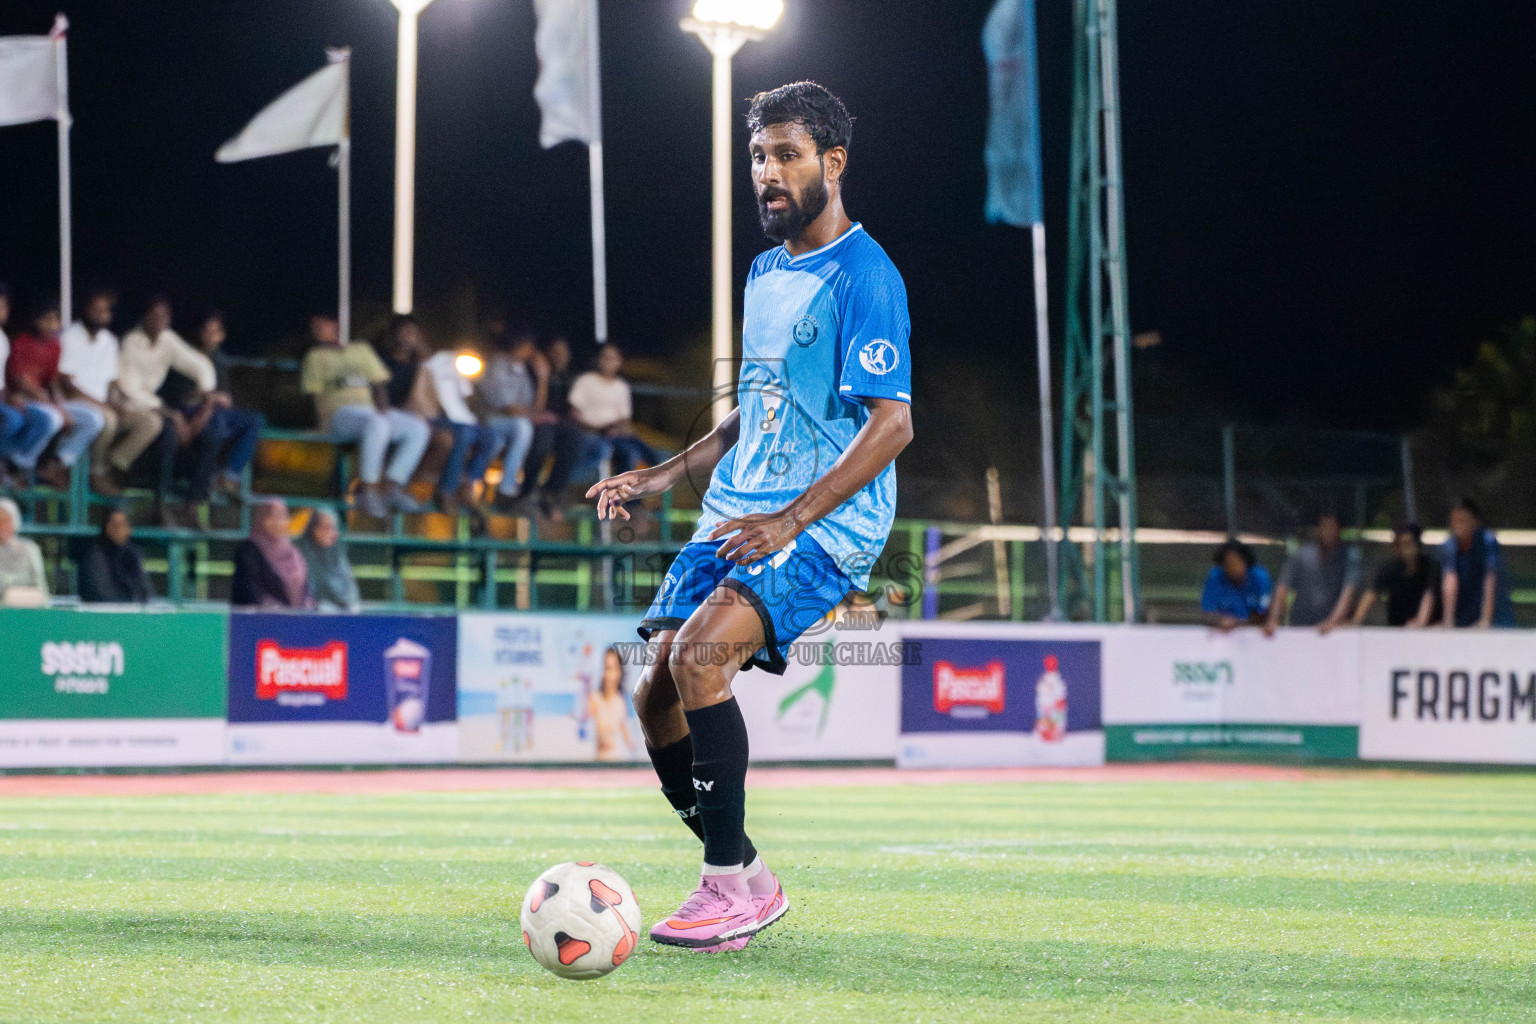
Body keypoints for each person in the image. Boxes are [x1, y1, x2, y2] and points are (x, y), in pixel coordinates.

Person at [587, 82, 912, 951]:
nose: (768, 172)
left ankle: (725, 888)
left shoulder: (866, 276)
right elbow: (752, 412)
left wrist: (793, 519)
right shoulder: (766, 272)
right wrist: (663, 475)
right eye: (759, 156)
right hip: (738, 510)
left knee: (701, 660)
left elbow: (893, 424)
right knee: (654, 696)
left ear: (832, 163)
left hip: (824, 526)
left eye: (787, 155)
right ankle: (749, 877)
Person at [299, 314, 430, 518]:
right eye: (315, 327)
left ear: (336, 324)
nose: (320, 330)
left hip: (368, 411)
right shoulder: (315, 356)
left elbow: (378, 383)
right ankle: (367, 490)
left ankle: (392, 486)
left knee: (417, 428)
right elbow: (310, 395)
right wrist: (317, 426)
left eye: (323, 324)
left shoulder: (361, 349)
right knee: (377, 423)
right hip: (338, 415)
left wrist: (384, 409)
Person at [117, 296, 222, 522]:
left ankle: (193, 504)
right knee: (169, 432)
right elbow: (129, 390)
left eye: (165, 316)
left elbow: (200, 365)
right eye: (156, 315)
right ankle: (160, 503)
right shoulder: (131, 343)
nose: (161, 320)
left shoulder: (167, 340)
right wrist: (170, 413)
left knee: (210, 437)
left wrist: (206, 396)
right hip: (130, 406)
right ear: (144, 317)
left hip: (154, 407)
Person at [58, 287, 163, 497]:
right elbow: (66, 384)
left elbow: (111, 384)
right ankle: (96, 473)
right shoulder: (69, 336)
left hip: (104, 403)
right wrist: (103, 405)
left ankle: (111, 464)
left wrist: (119, 404)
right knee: (109, 418)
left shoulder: (109, 341)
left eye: (105, 311)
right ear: (86, 309)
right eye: (96, 310)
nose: (100, 315)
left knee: (151, 422)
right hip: (75, 401)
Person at [162, 311, 264, 503]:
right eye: (207, 331)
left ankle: (229, 476)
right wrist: (208, 398)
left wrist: (211, 398)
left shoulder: (218, 359)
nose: (211, 336)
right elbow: (185, 397)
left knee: (254, 421)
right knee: (215, 430)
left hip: (215, 411)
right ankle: (201, 487)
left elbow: (226, 399)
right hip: (192, 411)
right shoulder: (187, 355)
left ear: (222, 335)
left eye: (215, 332)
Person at [4, 300, 106, 490]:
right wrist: (55, 407)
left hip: (47, 401)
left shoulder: (54, 345)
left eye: (55, 320)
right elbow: (21, 382)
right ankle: (20, 466)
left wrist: (59, 402)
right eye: (47, 319)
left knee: (94, 419)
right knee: (54, 418)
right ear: (36, 320)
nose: (52, 325)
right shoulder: (22, 342)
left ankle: (56, 464)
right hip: (23, 400)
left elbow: (52, 381)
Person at [415, 340, 503, 515]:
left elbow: (466, 395)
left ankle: (469, 485)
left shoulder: (453, 362)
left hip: (461, 418)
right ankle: (446, 489)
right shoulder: (424, 368)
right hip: (439, 416)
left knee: (489, 436)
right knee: (464, 435)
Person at [568, 342, 663, 477]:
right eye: (605, 357)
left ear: (619, 361)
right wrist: (596, 428)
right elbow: (573, 412)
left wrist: (616, 429)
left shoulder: (622, 386)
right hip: (592, 433)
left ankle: (638, 489)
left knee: (649, 455)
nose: (608, 362)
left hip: (616, 434)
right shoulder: (585, 380)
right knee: (624, 453)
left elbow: (625, 418)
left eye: (613, 358)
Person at [1263, 510, 1361, 636]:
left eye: (1332, 527)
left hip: (1333, 630)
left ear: (1339, 530)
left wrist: (1332, 622)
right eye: (1324, 527)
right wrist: (1273, 619)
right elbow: (1283, 587)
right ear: (1318, 530)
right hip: (1300, 625)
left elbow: (1348, 591)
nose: (1328, 532)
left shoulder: (1349, 556)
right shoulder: (1302, 553)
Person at [476, 328, 540, 513]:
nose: (531, 352)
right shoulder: (497, 364)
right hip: (489, 419)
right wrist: (527, 412)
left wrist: (542, 377)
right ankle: (507, 487)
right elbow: (509, 408)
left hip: (507, 426)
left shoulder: (522, 370)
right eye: (529, 347)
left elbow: (532, 406)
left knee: (499, 442)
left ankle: (478, 487)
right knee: (523, 427)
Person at [0, 284, 59, 484]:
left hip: (3, 399)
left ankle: (15, 466)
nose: (3, 311)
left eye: (4, 306)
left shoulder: (2, 339)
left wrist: (10, 397)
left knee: (44, 419)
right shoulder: (19, 342)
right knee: (13, 419)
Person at [1439, 498, 1516, 628]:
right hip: (1463, 618)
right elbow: (1450, 580)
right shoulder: (1450, 545)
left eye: (1462, 520)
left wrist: (1485, 620)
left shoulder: (1487, 541)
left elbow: (1490, 579)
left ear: (1475, 521)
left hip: (1496, 618)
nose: (1458, 525)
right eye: (1454, 520)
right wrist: (1448, 622)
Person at [231, 498, 314, 609]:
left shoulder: (293, 552)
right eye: (272, 516)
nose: (278, 522)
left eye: (283, 517)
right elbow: (248, 591)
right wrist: (276, 609)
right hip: (259, 617)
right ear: (261, 518)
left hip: (296, 617)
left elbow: (306, 590)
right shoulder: (249, 551)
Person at [1352, 523, 1439, 627]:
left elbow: (1429, 595)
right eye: (1400, 544)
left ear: (1417, 543)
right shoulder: (1391, 568)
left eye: (1409, 543)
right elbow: (1371, 593)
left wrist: (1421, 622)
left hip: (1427, 628)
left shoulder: (1429, 567)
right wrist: (1355, 621)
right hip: (1396, 627)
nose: (1406, 548)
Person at [78, 506, 151, 603]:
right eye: (115, 525)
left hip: (131, 609)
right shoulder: (94, 555)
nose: (119, 529)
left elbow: (145, 591)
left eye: (123, 525)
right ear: (106, 527)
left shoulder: (133, 554)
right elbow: (99, 594)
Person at [296, 507, 361, 612]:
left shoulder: (337, 552)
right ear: (313, 528)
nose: (329, 532)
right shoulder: (300, 551)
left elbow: (350, 591)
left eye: (332, 528)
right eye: (324, 527)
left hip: (343, 613)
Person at [1200, 539, 1272, 631]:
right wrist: (1220, 620)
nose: (1232, 567)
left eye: (1236, 563)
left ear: (1245, 561)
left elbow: (1264, 612)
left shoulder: (1259, 577)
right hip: (1222, 632)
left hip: (1254, 632)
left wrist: (1236, 623)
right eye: (1228, 564)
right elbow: (1207, 611)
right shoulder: (1215, 576)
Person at [589, 646, 637, 762]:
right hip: (598, 761)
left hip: (618, 761)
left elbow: (626, 735)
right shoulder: (594, 699)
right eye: (607, 668)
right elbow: (586, 731)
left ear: (620, 671)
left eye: (614, 668)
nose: (609, 674)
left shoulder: (621, 702)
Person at [0, 497, 48, 605]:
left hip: (26, 609)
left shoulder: (30, 549)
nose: (2, 527)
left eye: (6, 521)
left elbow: (40, 588)